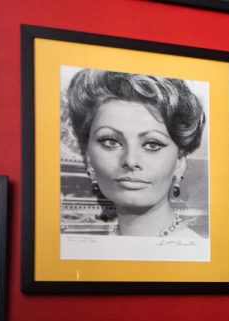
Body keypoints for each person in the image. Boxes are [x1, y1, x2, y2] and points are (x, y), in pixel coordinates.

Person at [65, 69, 205, 238]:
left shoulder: (192, 252)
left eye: (152, 144)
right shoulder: (93, 249)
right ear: (88, 158)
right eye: (111, 141)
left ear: (180, 162)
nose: (130, 161)